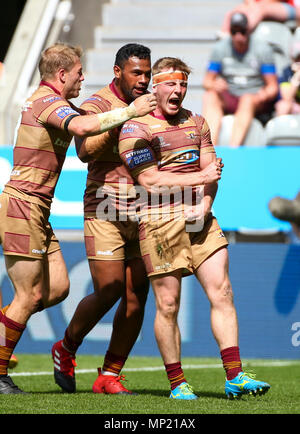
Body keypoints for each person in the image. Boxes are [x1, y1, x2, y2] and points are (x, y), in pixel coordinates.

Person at [0, 42, 156, 394]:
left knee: (56, 288)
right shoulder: (47, 101)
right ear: (62, 74)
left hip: (38, 208)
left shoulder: (52, 102)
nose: (83, 78)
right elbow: (83, 134)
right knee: (28, 295)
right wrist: (130, 113)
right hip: (23, 203)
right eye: (79, 73)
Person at [118, 56, 271, 399]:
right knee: (168, 305)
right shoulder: (135, 128)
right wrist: (201, 178)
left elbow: (211, 169)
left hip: (201, 219)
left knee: (224, 291)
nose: (179, 90)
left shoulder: (198, 122)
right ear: (155, 86)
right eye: (172, 84)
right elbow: (149, 180)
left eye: (184, 84)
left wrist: (204, 205)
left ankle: (235, 375)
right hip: (158, 222)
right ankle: (177, 383)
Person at [51, 44, 154, 395]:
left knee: (137, 294)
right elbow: (82, 150)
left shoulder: (151, 105)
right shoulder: (96, 104)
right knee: (109, 287)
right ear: (117, 72)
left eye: (147, 73)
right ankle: (66, 346)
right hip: (104, 206)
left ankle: (109, 374)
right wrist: (128, 115)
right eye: (136, 73)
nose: (143, 80)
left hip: (143, 208)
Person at [202, 12, 279, 147]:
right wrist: (215, 85)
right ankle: (210, 148)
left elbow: (272, 87)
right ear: (230, 32)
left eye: (242, 32)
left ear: (248, 30)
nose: (238, 36)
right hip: (230, 95)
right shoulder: (220, 48)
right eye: (234, 32)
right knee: (210, 96)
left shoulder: (262, 49)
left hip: (254, 97)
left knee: (247, 99)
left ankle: (234, 148)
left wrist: (263, 95)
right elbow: (207, 82)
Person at [221, 0, 300, 36]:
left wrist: (256, 6)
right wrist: (252, 6)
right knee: (234, 12)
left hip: (288, 7)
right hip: (257, 6)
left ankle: (244, 33)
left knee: (261, 11)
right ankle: (225, 37)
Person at [275, 41, 300, 115]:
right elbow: (287, 97)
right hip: (295, 106)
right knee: (283, 106)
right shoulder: (287, 72)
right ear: (292, 59)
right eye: (297, 58)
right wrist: (297, 77)